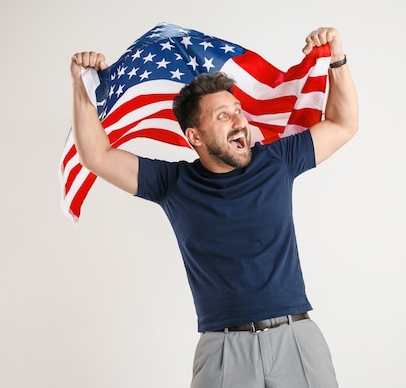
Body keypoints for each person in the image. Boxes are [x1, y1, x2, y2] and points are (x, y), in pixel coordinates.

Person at [70, 26, 358, 388]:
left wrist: (337, 60)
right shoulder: (172, 183)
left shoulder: (277, 160)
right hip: (222, 350)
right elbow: (96, 155)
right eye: (223, 116)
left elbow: (343, 124)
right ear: (195, 137)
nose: (240, 121)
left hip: (295, 338)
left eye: (238, 111)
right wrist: (81, 84)